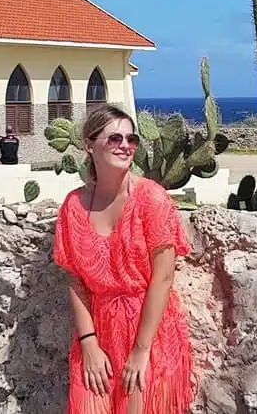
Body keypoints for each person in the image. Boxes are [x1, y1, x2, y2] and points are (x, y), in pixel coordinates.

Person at [53, 104, 193, 414]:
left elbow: (163, 277)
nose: (125, 146)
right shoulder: (74, 206)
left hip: (148, 331)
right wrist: (88, 343)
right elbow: (75, 279)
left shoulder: (151, 198)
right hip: (98, 332)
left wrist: (141, 350)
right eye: (114, 139)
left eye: (131, 140)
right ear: (89, 145)